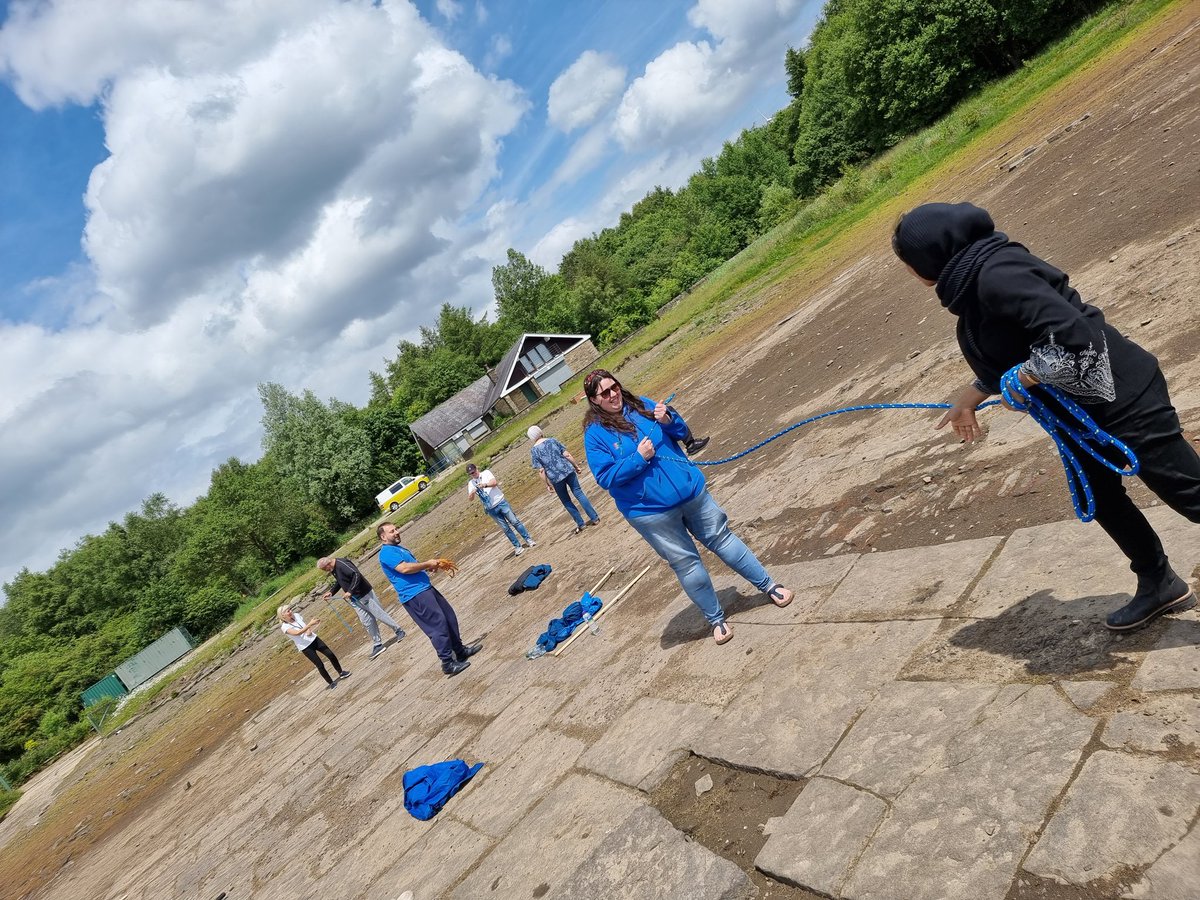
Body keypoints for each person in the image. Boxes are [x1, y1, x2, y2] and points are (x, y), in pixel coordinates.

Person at [891, 201, 1199, 631]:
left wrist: (1029, 375)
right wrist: (977, 391)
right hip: (1081, 415)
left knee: (1191, 495)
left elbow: (1075, 337)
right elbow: (1014, 343)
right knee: (1105, 499)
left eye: (907, 262)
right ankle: (1158, 581)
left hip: (1125, 401)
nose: (909, 273)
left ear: (930, 256)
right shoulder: (975, 278)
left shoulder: (998, 274)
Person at [582, 368, 795, 645]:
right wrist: (638, 458)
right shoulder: (595, 435)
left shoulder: (642, 405)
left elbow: (682, 432)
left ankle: (769, 586)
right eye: (605, 393)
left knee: (723, 539)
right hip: (651, 513)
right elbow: (605, 477)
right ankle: (716, 619)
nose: (613, 395)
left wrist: (669, 419)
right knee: (686, 563)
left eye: (614, 387)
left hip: (692, 492)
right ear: (594, 400)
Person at [376, 522, 481, 676]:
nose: (397, 532)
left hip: (425, 588)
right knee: (438, 625)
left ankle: (460, 651)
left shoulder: (397, 549)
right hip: (414, 594)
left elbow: (411, 566)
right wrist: (427, 563)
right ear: (383, 537)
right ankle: (447, 663)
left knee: (449, 617)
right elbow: (404, 568)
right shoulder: (386, 552)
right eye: (392, 531)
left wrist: (428, 567)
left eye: (396, 529)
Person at [317, 556, 406, 659]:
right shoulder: (333, 569)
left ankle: (399, 630)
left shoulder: (341, 564)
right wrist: (331, 592)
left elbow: (356, 574)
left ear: (327, 565)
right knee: (366, 621)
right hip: (355, 599)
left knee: (379, 614)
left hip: (364, 593)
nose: (325, 571)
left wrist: (350, 591)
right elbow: (340, 581)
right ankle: (378, 644)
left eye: (324, 569)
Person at [528, 425, 601, 534]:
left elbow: (541, 470)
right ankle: (594, 518)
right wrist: (576, 466)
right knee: (579, 494)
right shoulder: (552, 440)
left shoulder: (534, 451)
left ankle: (581, 524)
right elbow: (566, 455)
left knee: (566, 501)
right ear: (540, 432)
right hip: (567, 470)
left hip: (555, 478)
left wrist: (547, 484)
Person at [465, 462, 536, 555]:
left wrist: (484, 485)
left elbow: (494, 483)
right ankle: (517, 546)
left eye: (474, 472)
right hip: (491, 509)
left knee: (514, 521)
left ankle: (528, 539)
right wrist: (472, 493)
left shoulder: (486, 473)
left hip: (501, 502)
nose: (473, 474)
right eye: (471, 474)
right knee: (505, 528)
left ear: (476, 469)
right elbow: (470, 499)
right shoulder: (471, 483)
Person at [278, 604, 350, 690]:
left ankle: (341, 672)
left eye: (290, 609)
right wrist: (310, 624)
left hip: (314, 639)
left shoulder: (296, 615)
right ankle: (331, 682)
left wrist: (309, 630)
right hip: (305, 647)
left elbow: (303, 625)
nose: (290, 611)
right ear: (283, 615)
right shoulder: (285, 627)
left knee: (330, 654)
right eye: (288, 611)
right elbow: (297, 633)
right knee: (320, 664)